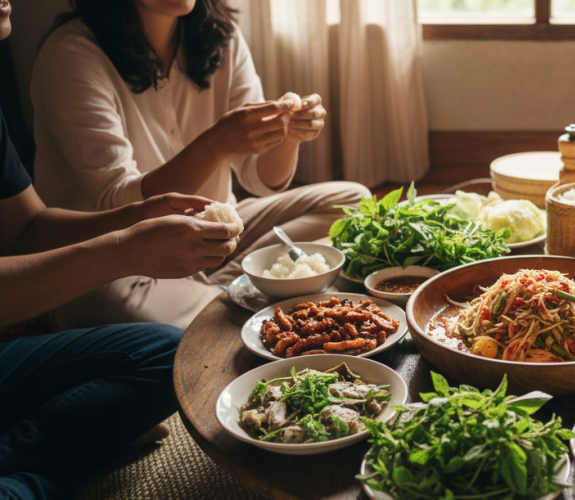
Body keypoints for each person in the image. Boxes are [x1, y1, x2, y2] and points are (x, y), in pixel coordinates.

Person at [0, 4, 242, 497]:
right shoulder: (72, 53)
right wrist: (124, 253)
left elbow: (25, 233)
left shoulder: (218, 36)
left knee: (168, 352)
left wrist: (139, 217)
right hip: (102, 289)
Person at [30, 0, 370, 330]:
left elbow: (260, 178)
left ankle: (224, 292)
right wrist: (216, 142)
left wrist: (290, 133)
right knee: (146, 318)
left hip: (218, 231)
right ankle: (237, 295)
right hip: (118, 261)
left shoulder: (222, 36)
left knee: (351, 200)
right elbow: (119, 202)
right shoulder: (72, 55)